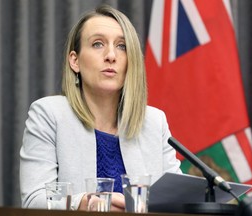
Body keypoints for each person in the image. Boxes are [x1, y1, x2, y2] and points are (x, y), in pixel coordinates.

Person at [20, 4, 182, 211]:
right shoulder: (50, 115)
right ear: (75, 61)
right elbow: (35, 199)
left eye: (122, 46)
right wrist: (87, 203)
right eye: (98, 44)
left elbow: (177, 199)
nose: (111, 55)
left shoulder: (153, 122)